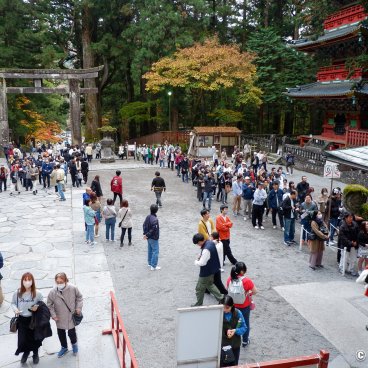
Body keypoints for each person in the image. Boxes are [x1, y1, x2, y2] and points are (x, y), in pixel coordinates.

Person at [47, 272, 83, 358]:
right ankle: (64, 347)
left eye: (61, 282)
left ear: (66, 280)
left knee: (72, 333)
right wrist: (53, 315)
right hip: (59, 317)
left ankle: (74, 345)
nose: (59, 284)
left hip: (71, 315)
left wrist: (78, 308)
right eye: (57, 282)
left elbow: (79, 297)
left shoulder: (73, 288)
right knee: (61, 333)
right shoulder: (53, 292)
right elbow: (49, 304)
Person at [12, 272, 44, 365]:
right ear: (22, 281)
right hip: (22, 319)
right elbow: (13, 303)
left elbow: (42, 302)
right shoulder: (17, 293)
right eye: (25, 280)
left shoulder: (37, 293)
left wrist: (37, 306)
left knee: (35, 338)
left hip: (33, 319)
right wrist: (15, 310)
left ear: (32, 281)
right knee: (23, 339)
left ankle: (35, 353)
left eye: (29, 280)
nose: (27, 282)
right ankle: (26, 353)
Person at [226, 262, 256, 347]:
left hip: (233, 306)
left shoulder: (229, 279)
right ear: (242, 271)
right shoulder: (247, 281)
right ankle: (245, 340)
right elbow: (255, 291)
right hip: (244, 306)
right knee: (245, 323)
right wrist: (248, 293)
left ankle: (231, 337)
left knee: (233, 322)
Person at [191, 233, 224, 306]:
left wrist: (196, 262)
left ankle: (199, 304)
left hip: (206, 272)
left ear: (200, 241)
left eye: (197, 243)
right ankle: (221, 298)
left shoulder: (206, 249)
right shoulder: (210, 242)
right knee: (210, 285)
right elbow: (215, 242)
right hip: (212, 270)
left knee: (199, 289)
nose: (197, 245)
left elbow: (202, 263)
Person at [220, 295, 247, 367]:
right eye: (223, 307)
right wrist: (226, 332)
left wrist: (235, 330)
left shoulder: (238, 313)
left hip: (235, 345)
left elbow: (244, 328)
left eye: (227, 308)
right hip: (222, 345)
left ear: (232, 306)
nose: (224, 310)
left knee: (234, 365)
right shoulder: (218, 313)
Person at [143, 204, 160, 270]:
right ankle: (153, 265)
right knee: (155, 251)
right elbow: (154, 230)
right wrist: (147, 235)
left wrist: (145, 234)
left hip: (148, 237)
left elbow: (144, 225)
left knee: (150, 250)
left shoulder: (148, 217)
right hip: (153, 237)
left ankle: (150, 263)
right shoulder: (155, 219)